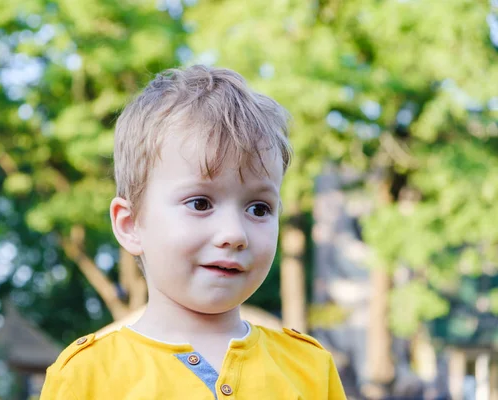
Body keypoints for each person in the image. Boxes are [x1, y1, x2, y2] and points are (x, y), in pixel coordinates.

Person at [40, 65, 347, 399]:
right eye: (200, 203)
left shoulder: (309, 369)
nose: (234, 233)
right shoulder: (87, 377)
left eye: (258, 208)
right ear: (130, 224)